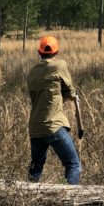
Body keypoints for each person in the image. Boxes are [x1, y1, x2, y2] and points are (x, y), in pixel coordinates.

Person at [27, 35, 81, 186]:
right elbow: (70, 92)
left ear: (39, 52)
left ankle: (27, 196)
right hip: (53, 125)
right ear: (56, 52)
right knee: (73, 164)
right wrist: (71, 95)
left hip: (35, 127)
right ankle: (71, 198)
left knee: (36, 167)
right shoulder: (59, 65)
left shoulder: (32, 72)